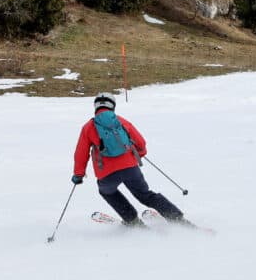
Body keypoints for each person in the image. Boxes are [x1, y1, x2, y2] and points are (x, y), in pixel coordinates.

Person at [72, 92, 188, 228]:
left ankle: (132, 220)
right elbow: (140, 142)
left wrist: (78, 174)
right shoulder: (121, 121)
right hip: (130, 168)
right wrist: (140, 153)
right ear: (112, 106)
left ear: (95, 107)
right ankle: (176, 217)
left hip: (106, 174)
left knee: (107, 191)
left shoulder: (88, 127)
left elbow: (81, 153)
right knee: (145, 195)